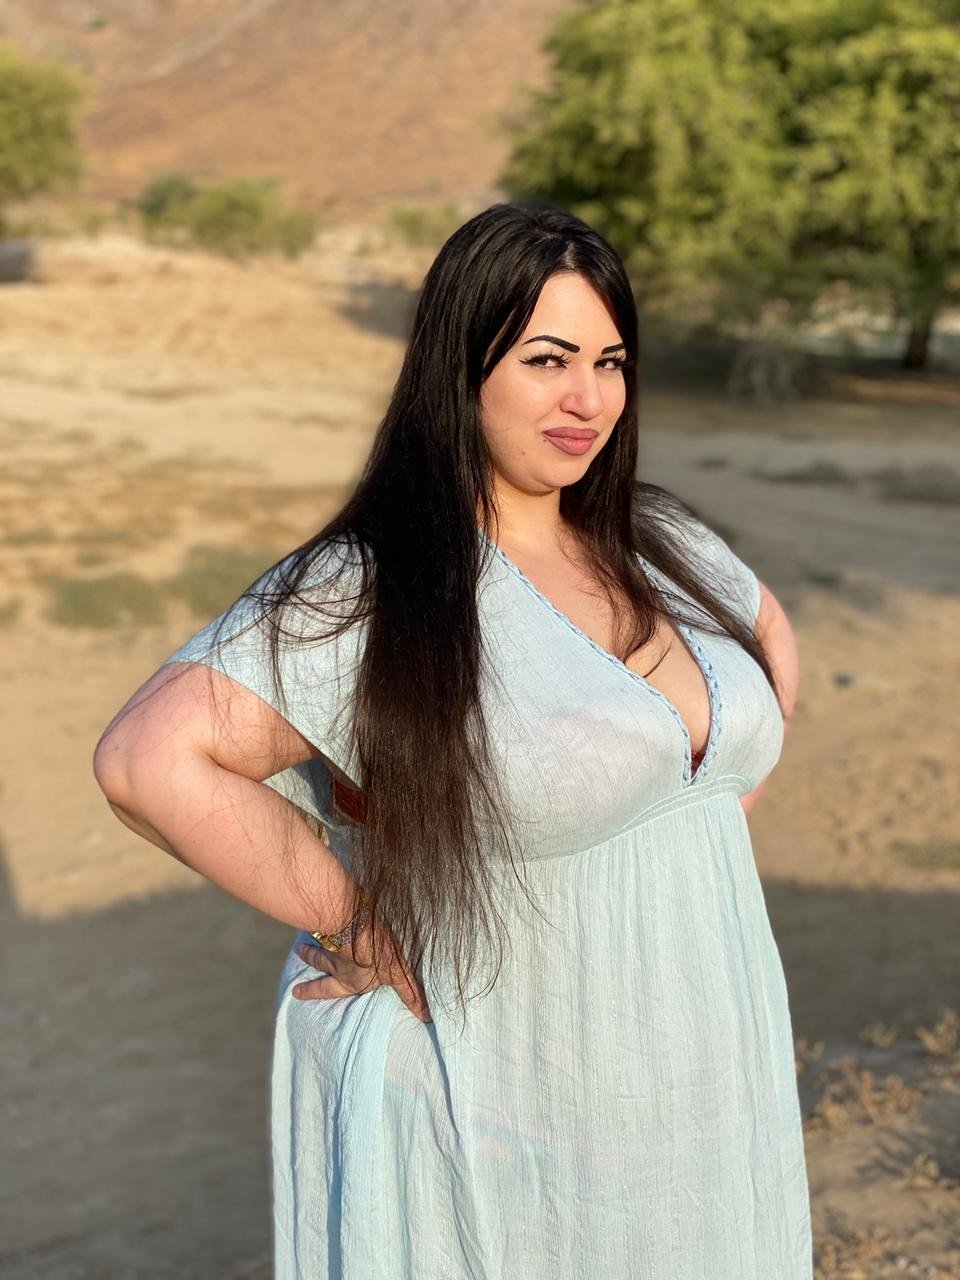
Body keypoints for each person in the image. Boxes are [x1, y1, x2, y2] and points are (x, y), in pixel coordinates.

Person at [93, 201, 811, 1278]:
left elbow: (760, 659)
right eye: (547, 360)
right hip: (505, 1083)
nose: (588, 399)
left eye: (611, 362)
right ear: (459, 367)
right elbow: (149, 761)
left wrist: (679, 817)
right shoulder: (372, 586)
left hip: (699, 1076)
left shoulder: (661, 538)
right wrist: (354, 919)